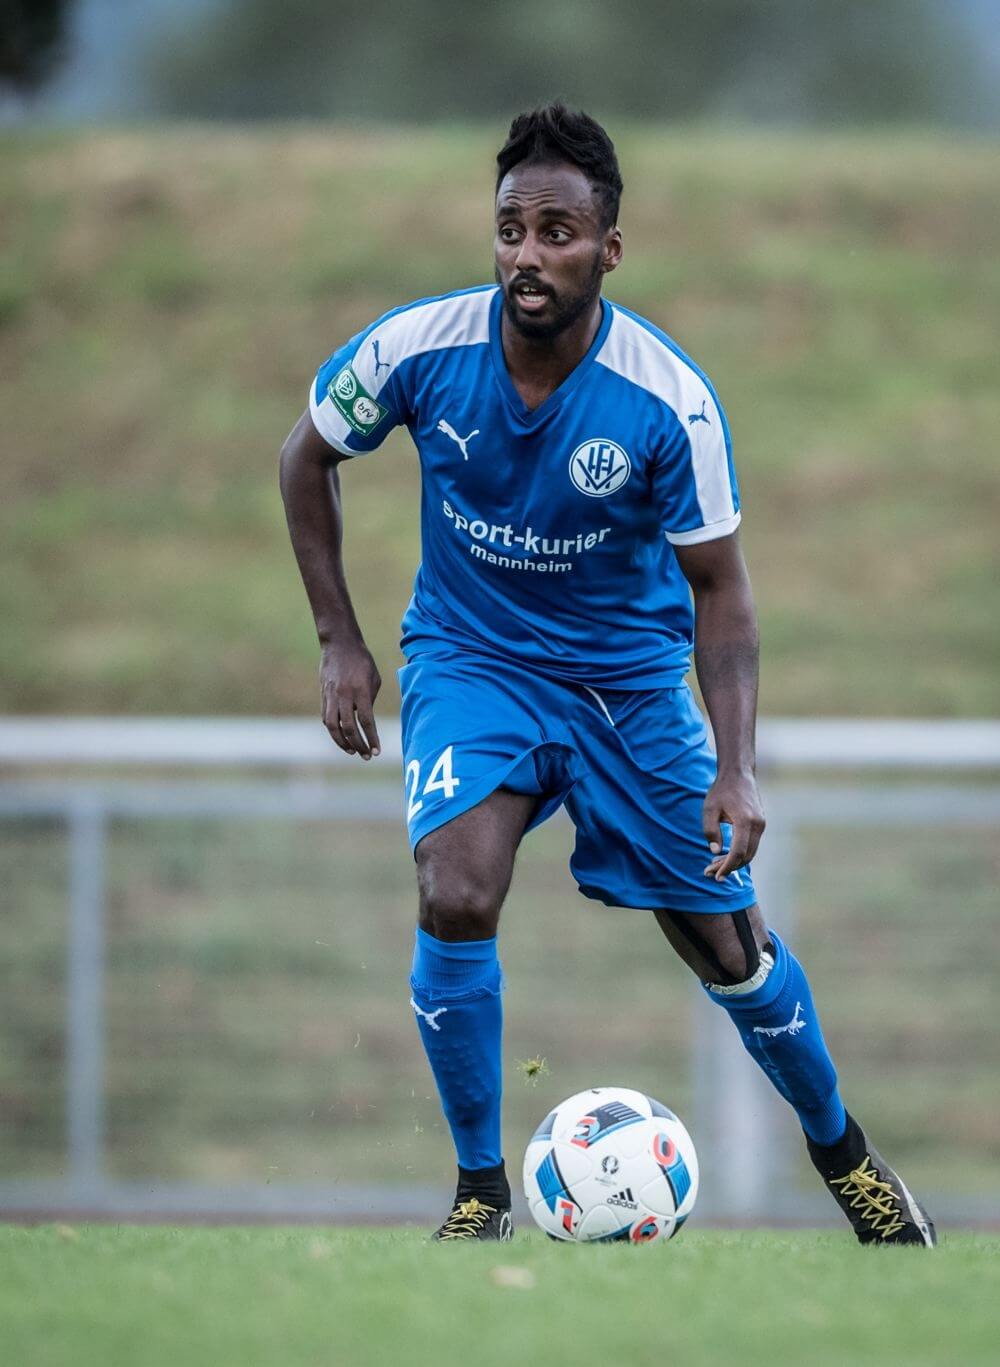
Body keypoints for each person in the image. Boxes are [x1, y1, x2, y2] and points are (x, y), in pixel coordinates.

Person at [280, 104, 934, 1246]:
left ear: (607, 249)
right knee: (455, 888)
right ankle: (481, 1190)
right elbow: (305, 457)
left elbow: (722, 593)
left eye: (557, 233)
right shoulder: (417, 349)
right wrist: (340, 637)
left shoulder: (666, 398)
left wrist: (735, 767)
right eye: (510, 230)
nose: (527, 256)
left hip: (625, 688)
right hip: (472, 659)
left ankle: (849, 1161)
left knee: (727, 947)